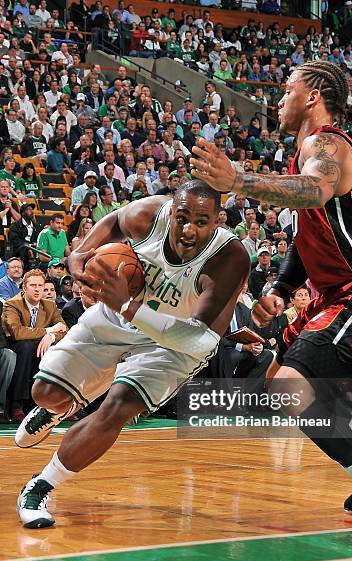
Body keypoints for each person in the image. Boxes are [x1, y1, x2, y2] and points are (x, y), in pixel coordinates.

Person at [190, 61, 352, 549]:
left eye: (286, 90)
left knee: (293, 387)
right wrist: (277, 286)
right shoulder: (306, 152)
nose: (278, 100)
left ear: (313, 96)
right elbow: (305, 236)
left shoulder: (327, 146)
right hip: (338, 292)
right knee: (284, 383)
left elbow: (314, 192)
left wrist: (239, 182)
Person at [15, 181, 249, 528]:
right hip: (118, 315)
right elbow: (114, 223)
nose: (188, 230)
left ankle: (40, 485)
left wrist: (126, 305)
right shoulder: (149, 213)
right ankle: (60, 406)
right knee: (45, 393)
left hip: (175, 341)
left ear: (218, 221)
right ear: (170, 211)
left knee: (118, 406)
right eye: (182, 217)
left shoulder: (230, 258)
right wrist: (81, 252)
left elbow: (198, 339)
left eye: (201, 221)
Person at [2, 270, 67, 422]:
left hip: (39, 348)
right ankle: (17, 405)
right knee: (26, 346)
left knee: (50, 348)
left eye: (40, 285)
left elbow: (64, 330)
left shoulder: (50, 305)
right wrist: (48, 330)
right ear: (24, 288)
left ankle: (44, 403)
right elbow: (17, 333)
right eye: (33, 285)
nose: (38, 289)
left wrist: (50, 337)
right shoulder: (12, 304)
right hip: (16, 347)